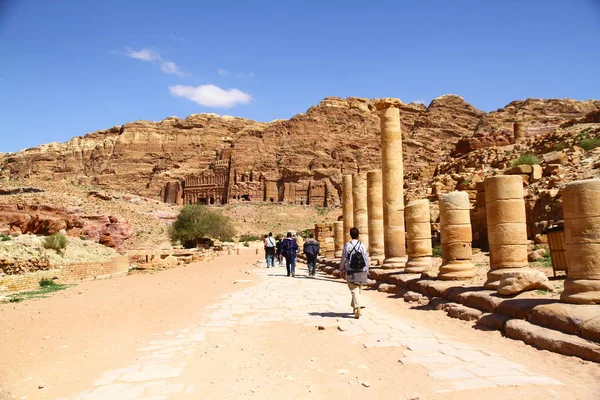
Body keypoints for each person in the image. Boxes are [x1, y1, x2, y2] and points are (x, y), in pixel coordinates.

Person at [339, 227, 370, 319]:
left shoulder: (347, 245)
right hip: (361, 269)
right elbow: (365, 258)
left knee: (353, 289)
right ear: (358, 235)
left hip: (351, 269)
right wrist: (367, 269)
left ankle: (357, 308)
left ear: (350, 235)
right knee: (358, 289)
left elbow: (344, 258)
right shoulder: (362, 245)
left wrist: (341, 269)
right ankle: (355, 306)